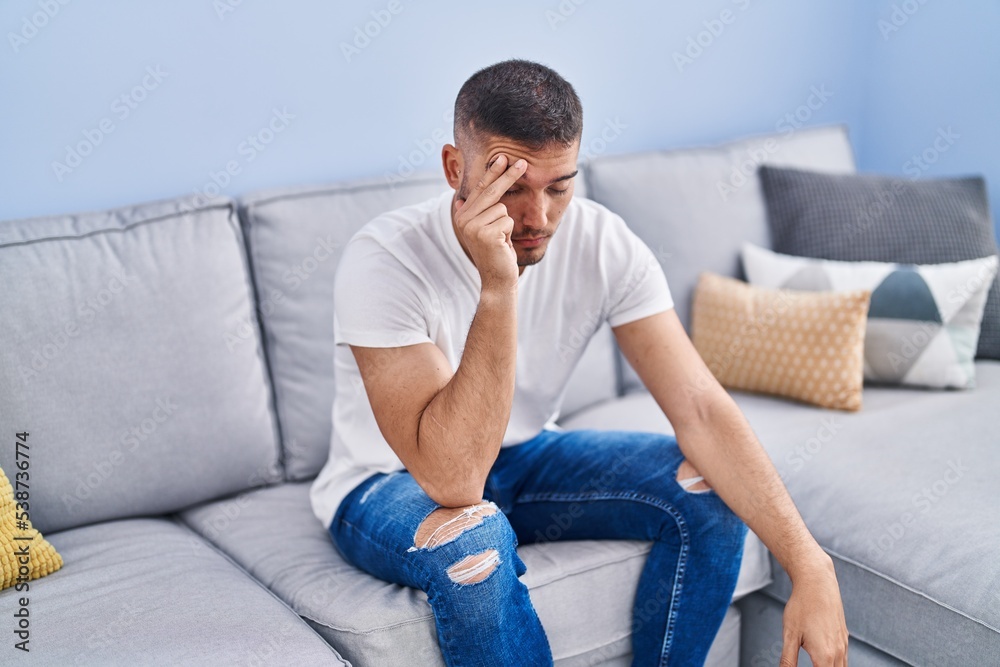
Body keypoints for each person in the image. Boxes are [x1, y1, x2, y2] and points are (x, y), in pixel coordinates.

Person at [311, 58, 849, 667]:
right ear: (456, 170)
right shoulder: (384, 258)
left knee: (710, 488)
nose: (537, 218)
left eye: (559, 187)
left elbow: (700, 407)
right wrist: (498, 285)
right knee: (474, 537)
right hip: (388, 481)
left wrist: (811, 565)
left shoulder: (603, 242)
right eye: (511, 187)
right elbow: (454, 481)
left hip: (523, 458)